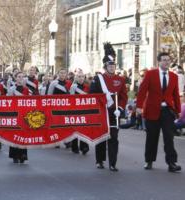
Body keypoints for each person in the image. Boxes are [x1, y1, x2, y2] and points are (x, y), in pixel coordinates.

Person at [136, 52, 182, 172]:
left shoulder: (174, 76)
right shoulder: (150, 74)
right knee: (152, 137)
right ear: (159, 62)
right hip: (152, 110)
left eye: (168, 60)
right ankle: (149, 160)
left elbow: (176, 94)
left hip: (167, 111)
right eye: (164, 60)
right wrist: (139, 107)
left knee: (169, 137)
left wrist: (178, 111)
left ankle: (172, 163)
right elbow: (142, 91)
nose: (167, 62)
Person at [89, 43, 127, 171]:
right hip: (102, 111)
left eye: (114, 65)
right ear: (105, 66)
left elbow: (124, 97)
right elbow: (92, 95)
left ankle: (113, 163)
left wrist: (120, 108)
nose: (112, 67)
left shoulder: (120, 80)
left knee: (114, 138)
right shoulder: (98, 78)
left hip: (114, 112)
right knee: (101, 137)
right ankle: (99, 160)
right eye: (110, 65)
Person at [7, 72, 29, 163]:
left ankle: (23, 154)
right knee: (15, 135)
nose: (21, 78)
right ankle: (14, 155)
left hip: (24, 114)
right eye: (19, 77)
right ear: (15, 78)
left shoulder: (26, 89)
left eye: (22, 77)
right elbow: (9, 102)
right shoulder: (12, 89)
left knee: (24, 134)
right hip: (15, 114)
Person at [69, 71, 90, 155]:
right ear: (76, 78)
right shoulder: (73, 87)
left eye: (82, 76)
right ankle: (74, 146)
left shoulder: (87, 87)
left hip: (85, 110)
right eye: (79, 76)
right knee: (76, 129)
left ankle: (84, 146)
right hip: (75, 110)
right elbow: (71, 99)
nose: (81, 78)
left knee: (84, 129)